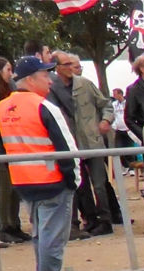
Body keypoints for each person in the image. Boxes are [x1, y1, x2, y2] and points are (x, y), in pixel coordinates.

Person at [0, 55, 87, 271]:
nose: (50, 80)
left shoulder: (2, 107)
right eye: (45, 75)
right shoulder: (44, 106)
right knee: (52, 236)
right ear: (30, 79)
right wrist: (74, 180)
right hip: (52, 180)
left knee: (41, 235)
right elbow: (67, 148)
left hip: (23, 181)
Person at [51, 51, 120, 234]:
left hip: (91, 141)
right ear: (57, 67)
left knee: (99, 183)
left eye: (71, 64)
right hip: (70, 144)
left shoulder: (85, 84)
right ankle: (89, 219)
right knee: (79, 185)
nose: (71, 68)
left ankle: (106, 220)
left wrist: (105, 121)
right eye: (66, 64)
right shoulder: (51, 88)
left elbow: (106, 104)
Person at [0, 56, 30, 245]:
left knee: (14, 189)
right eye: (8, 70)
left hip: (12, 146)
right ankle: (3, 227)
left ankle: (14, 225)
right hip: (1, 148)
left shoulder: (11, 92)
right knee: (4, 189)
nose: (11, 74)